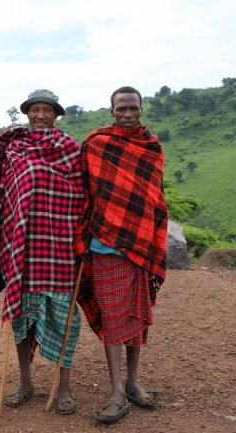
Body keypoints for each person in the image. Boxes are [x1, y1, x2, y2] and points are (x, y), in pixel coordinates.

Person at [75, 86, 168, 424]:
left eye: (133, 108)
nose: (127, 114)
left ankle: (132, 382)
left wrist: (155, 238)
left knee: (137, 315)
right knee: (114, 318)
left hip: (141, 247)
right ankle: (116, 390)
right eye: (121, 109)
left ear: (141, 109)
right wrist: (80, 237)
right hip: (104, 246)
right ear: (111, 110)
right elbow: (82, 190)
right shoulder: (97, 144)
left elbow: (155, 198)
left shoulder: (152, 147)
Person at [0, 89, 84, 415]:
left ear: (56, 114)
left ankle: (63, 387)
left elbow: (80, 194)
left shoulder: (69, 148)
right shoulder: (14, 147)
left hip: (59, 248)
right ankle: (25, 382)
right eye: (36, 110)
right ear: (28, 113)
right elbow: (3, 192)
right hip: (22, 247)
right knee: (21, 317)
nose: (41, 115)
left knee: (63, 318)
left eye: (47, 110)